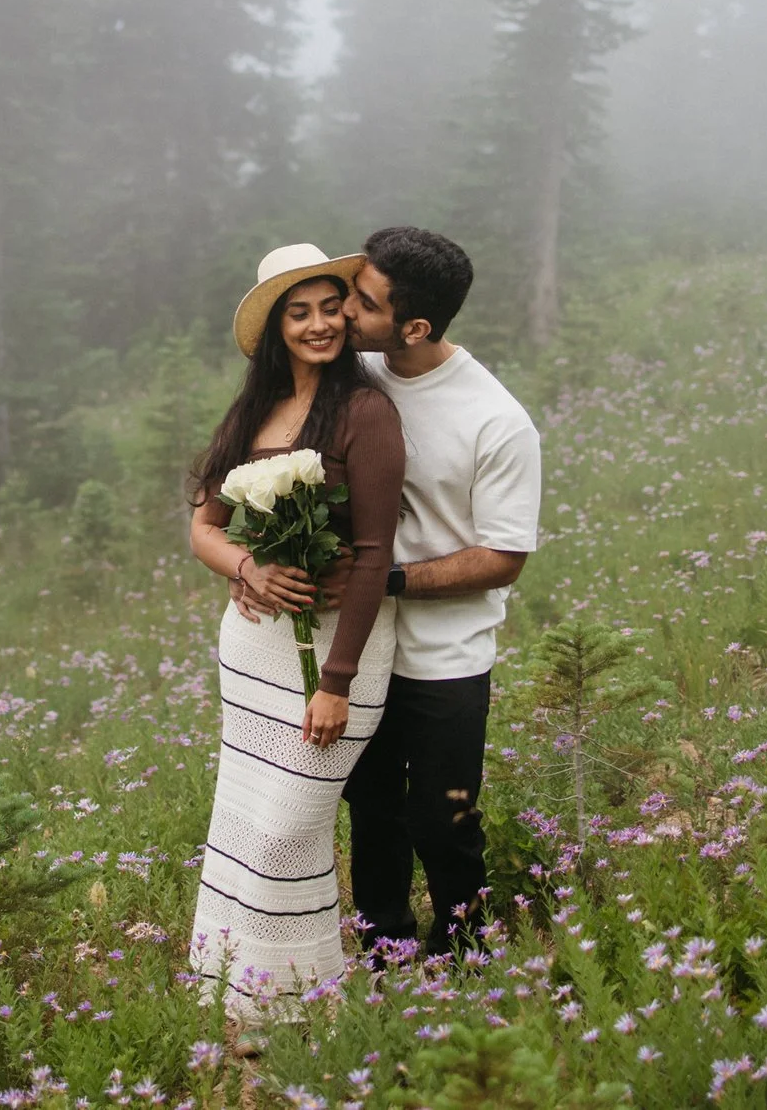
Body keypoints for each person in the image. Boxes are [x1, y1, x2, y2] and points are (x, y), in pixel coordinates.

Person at [234, 226, 540, 959]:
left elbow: (503, 557)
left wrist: (386, 577)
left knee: (442, 818)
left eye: (360, 303)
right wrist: (254, 563)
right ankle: (384, 947)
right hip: (361, 642)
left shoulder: (496, 421)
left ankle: (465, 950)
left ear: (415, 326)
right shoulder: (355, 371)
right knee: (370, 808)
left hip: (444, 651)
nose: (341, 315)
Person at [183, 243, 404, 1019]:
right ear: (277, 326)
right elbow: (205, 527)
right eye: (298, 311)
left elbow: (374, 552)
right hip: (257, 647)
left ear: (348, 311)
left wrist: (336, 682)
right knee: (244, 824)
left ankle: (293, 1002)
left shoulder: (365, 411)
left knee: (286, 831)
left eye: (329, 306)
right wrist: (251, 571)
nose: (318, 324)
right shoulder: (252, 410)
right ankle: (252, 1006)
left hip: (341, 653)